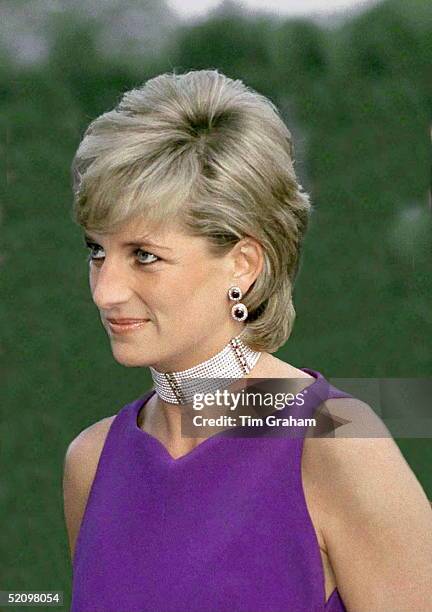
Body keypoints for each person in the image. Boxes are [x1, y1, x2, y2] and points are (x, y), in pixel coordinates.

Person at [63, 69, 432, 612]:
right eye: (98, 251)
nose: (105, 291)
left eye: (144, 255)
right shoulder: (92, 463)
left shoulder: (335, 445)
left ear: (243, 264)